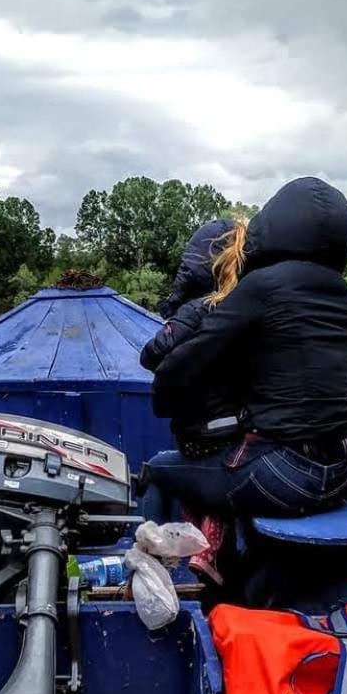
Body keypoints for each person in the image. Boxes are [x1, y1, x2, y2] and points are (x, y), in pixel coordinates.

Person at [143, 176, 347, 538]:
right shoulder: (346, 297)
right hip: (341, 472)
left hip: (283, 477)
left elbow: (184, 365)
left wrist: (164, 399)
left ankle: (157, 570)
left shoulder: (263, 286)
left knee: (159, 469)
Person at [140, 218, 240, 582]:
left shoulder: (199, 309)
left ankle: (149, 562)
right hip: (241, 436)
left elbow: (152, 354)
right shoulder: (248, 307)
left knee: (157, 470)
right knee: (205, 463)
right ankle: (205, 537)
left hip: (206, 440)